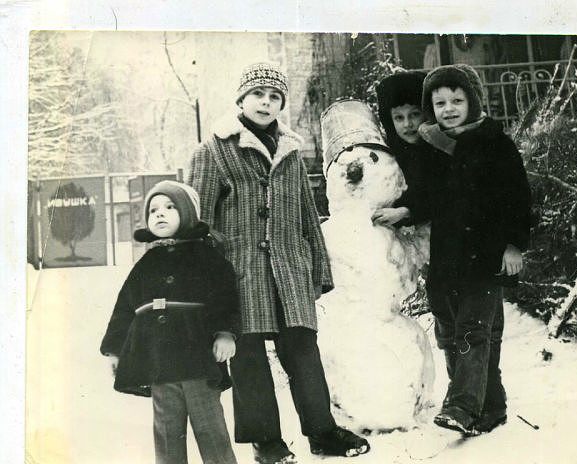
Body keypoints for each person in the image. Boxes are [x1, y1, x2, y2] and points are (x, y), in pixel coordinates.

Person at [187, 62, 369, 464]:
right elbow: (199, 222)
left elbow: (307, 214)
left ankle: (322, 431)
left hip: (290, 268)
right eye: (258, 94)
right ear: (241, 99)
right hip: (240, 273)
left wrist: (318, 269)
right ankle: (265, 441)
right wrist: (206, 278)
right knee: (249, 357)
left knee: (303, 348)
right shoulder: (212, 150)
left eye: (274, 97)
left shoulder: (290, 150)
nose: (266, 103)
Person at [418, 64, 532, 435]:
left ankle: (462, 406)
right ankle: (490, 406)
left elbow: (518, 198)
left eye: (457, 100)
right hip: (447, 257)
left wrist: (514, 245)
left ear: (473, 102)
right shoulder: (431, 147)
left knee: (473, 331)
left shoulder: (494, 143)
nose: (449, 109)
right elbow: (426, 197)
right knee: (453, 331)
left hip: (486, 256)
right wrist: (404, 210)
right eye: (440, 103)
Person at [100, 180, 240, 464]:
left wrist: (225, 333)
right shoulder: (146, 263)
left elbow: (225, 298)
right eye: (153, 210)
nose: (160, 214)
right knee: (166, 432)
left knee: (210, 428)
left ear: (187, 214)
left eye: (169, 207)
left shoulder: (207, 258)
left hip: (198, 359)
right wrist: (115, 349)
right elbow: (125, 307)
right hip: (159, 362)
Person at [373, 70, 432, 228]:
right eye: (399, 117)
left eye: (414, 114)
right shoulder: (390, 153)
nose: (407, 124)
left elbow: (439, 196)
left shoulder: (438, 150)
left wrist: (405, 211)